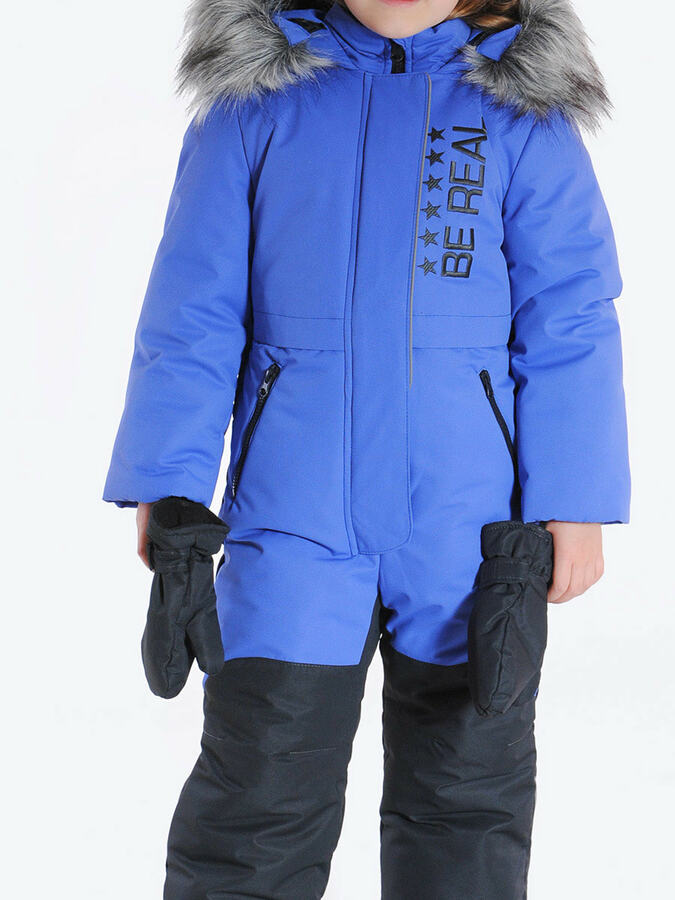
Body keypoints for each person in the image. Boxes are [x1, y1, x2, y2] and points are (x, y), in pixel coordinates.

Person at [103, 1, 630, 897]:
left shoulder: (519, 117)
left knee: (465, 803)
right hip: (292, 523)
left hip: (467, 535)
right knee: (257, 801)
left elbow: (568, 316)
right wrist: (170, 485)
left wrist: (572, 500)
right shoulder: (254, 109)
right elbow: (192, 313)